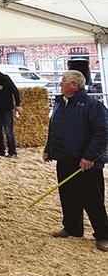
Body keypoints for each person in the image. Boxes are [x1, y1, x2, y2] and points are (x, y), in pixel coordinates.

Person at [44, 70, 108, 252]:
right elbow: (54, 127)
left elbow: (102, 132)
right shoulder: (60, 104)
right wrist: (49, 149)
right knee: (68, 195)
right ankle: (72, 227)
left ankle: (103, 234)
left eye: (63, 81)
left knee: (92, 199)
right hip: (64, 158)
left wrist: (89, 157)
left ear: (74, 85)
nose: (60, 84)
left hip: (85, 163)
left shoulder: (91, 105)